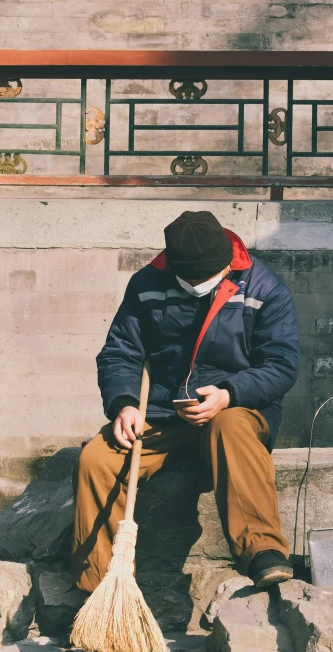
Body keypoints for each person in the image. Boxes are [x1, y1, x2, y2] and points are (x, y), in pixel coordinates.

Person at [72, 210, 299, 589]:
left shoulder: (264, 287)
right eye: (187, 280)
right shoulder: (146, 283)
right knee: (96, 460)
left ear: (227, 263)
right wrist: (124, 404)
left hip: (236, 411)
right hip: (160, 413)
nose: (196, 286)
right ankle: (95, 585)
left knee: (228, 426)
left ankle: (262, 550)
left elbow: (281, 364)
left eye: (205, 279)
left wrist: (229, 394)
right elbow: (120, 353)